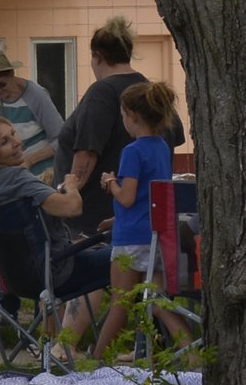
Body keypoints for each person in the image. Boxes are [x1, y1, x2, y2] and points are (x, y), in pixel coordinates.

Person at [0, 115, 107, 350]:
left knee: (94, 252)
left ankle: (47, 343)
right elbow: (72, 207)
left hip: (17, 281)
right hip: (56, 273)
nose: (17, 142)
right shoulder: (17, 179)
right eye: (4, 142)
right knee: (126, 261)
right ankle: (86, 348)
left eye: (13, 133)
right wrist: (71, 186)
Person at [92, 81, 193, 355]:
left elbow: (126, 197)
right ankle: (191, 350)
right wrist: (117, 218)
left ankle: (96, 359)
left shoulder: (132, 152)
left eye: (123, 115)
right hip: (156, 236)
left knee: (120, 304)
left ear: (132, 116)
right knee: (159, 303)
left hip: (130, 241)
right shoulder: (161, 147)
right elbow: (150, 196)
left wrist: (110, 182)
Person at [61, 16, 184, 235]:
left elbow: (86, 154)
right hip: (147, 219)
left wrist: (67, 195)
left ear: (97, 56)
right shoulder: (150, 92)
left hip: (97, 222)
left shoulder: (102, 93)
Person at [0, 49, 65, 183]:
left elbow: (61, 140)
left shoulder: (36, 95)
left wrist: (30, 160)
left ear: (12, 74)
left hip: (43, 176)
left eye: (1, 84)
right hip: (11, 176)